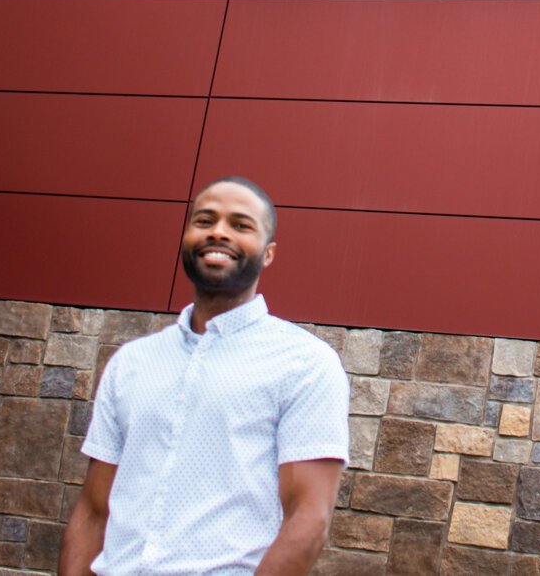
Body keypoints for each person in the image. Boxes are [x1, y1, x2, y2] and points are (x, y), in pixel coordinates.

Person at [58, 177, 349, 576]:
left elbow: (309, 519)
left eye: (241, 225)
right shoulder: (132, 362)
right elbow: (93, 510)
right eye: (205, 220)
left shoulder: (304, 364)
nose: (218, 232)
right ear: (185, 238)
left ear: (268, 253)